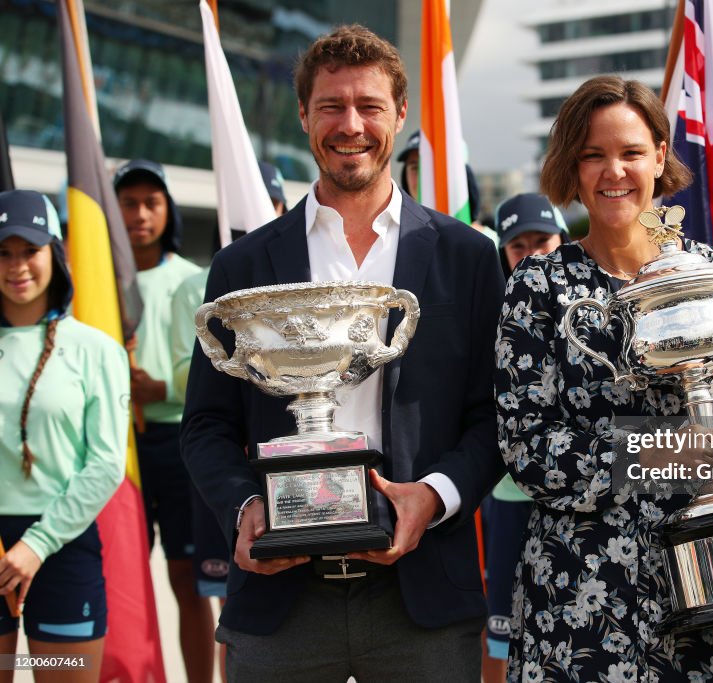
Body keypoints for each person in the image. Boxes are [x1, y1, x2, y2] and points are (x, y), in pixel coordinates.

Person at [179, 24, 505, 682]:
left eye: (369, 107)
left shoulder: (466, 256)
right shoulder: (244, 265)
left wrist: (433, 497)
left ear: (400, 116)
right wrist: (249, 513)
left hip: (423, 593)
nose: (349, 125)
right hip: (281, 596)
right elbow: (208, 425)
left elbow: (496, 416)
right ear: (303, 115)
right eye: (330, 106)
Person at [494, 75, 713, 682]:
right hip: (583, 601)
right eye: (592, 155)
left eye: (630, 152)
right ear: (571, 168)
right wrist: (666, 451)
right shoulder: (539, 288)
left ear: (659, 154)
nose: (614, 172)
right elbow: (529, 450)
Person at [0, 190, 129, 683]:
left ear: (53, 254)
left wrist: (37, 543)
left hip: (60, 545)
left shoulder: (95, 349)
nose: (17, 266)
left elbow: (105, 464)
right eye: (4, 252)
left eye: (29, 251)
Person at [167, 160, 287, 682]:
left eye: (268, 207)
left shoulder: (312, 280)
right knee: (220, 597)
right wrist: (243, 502)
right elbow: (199, 400)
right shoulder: (215, 276)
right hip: (233, 473)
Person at [113, 158, 208, 682]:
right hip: (116, 443)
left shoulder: (189, 279)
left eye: (151, 203)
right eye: (128, 203)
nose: (140, 214)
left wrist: (161, 388)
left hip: (173, 440)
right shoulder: (90, 280)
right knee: (122, 578)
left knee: (186, 575)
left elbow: (207, 366)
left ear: (167, 209)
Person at [481, 192, 568, 682]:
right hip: (510, 497)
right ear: (503, 254)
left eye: (543, 241)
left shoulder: (588, 307)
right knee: (500, 634)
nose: (533, 254)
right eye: (519, 246)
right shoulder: (491, 313)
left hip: (574, 501)